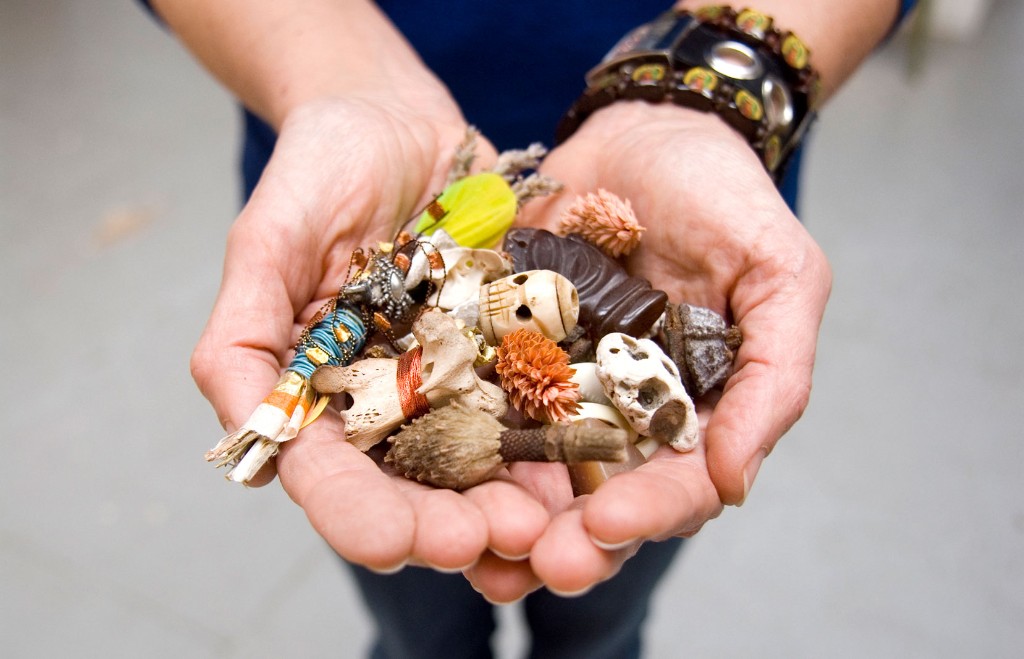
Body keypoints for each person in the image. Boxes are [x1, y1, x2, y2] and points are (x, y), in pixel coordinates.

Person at [146, 1, 916, 656]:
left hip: (692, 201)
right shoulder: (414, 286)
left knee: (601, 609)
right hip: (356, 188)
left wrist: (708, 88)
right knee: (418, 624)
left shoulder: (606, 315)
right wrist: (343, 81)